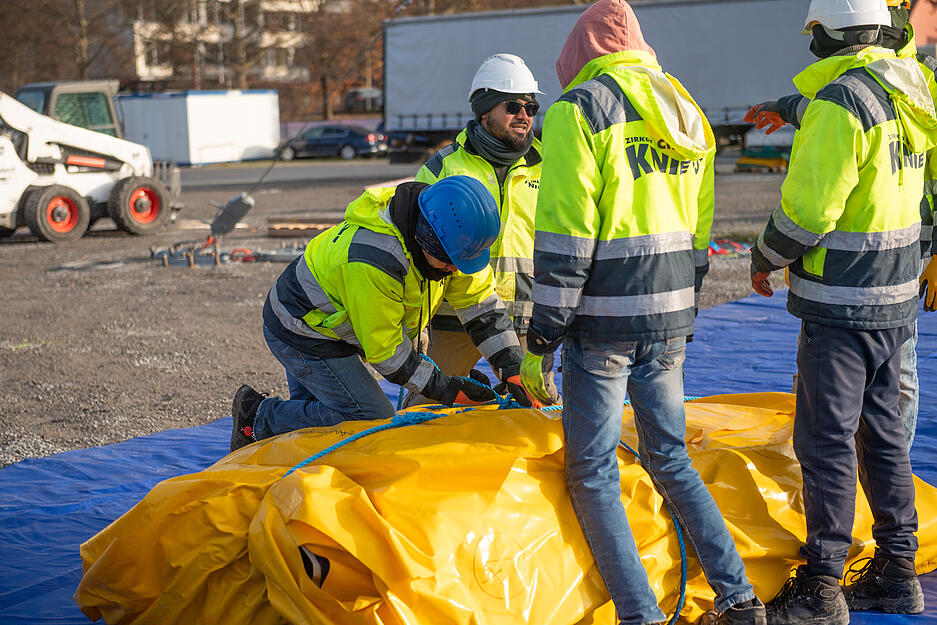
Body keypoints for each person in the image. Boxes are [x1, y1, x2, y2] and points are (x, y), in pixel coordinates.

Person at [519, 2, 764, 624]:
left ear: (581, 53)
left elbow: (569, 228)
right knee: (672, 458)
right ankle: (739, 600)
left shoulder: (581, 111)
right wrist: (685, 293)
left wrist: (546, 323)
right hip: (672, 315)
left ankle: (640, 616)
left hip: (603, 319)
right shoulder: (685, 108)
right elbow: (699, 223)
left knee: (594, 472)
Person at [748, 0, 937, 621]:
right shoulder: (910, 91)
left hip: (841, 305)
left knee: (827, 442)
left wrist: (764, 256)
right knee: (885, 440)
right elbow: (851, 106)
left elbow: (809, 211)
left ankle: (824, 587)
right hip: (896, 300)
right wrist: (787, 105)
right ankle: (897, 573)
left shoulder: (841, 103)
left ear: (827, 36)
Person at [230, 175, 534, 452]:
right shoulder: (376, 259)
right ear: (424, 239)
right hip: (301, 329)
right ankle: (256, 416)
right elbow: (387, 353)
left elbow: (481, 308)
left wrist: (511, 367)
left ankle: (292, 451)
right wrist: (448, 389)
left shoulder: (453, 242)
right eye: (449, 262)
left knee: (321, 418)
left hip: (328, 319)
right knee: (369, 417)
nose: (455, 270)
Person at [405, 53, 559, 407]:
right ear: (484, 109)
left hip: (527, 318)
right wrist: (416, 327)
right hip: (452, 317)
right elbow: (416, 246)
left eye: (531, 107)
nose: (525, 116)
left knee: (540, 414)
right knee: (422, 412)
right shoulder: (444, 166)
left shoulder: (550, 167)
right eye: (513, 106)